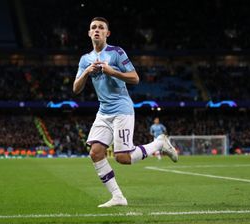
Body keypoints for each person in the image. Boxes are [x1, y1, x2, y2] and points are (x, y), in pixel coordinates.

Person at [73, 17, 178, 208]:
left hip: (122, 109)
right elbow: (76, 88)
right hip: (103, 111)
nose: (97, 30)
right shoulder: (85, 59)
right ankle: (118, 197)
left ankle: (159, 143)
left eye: (101, 28)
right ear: (89, 33)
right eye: (93, 28)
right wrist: (87, 72)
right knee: (96, 153)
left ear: (107, 33)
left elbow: (135, 78)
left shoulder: (116, 52)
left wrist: (112, 72)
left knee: (123, 158)